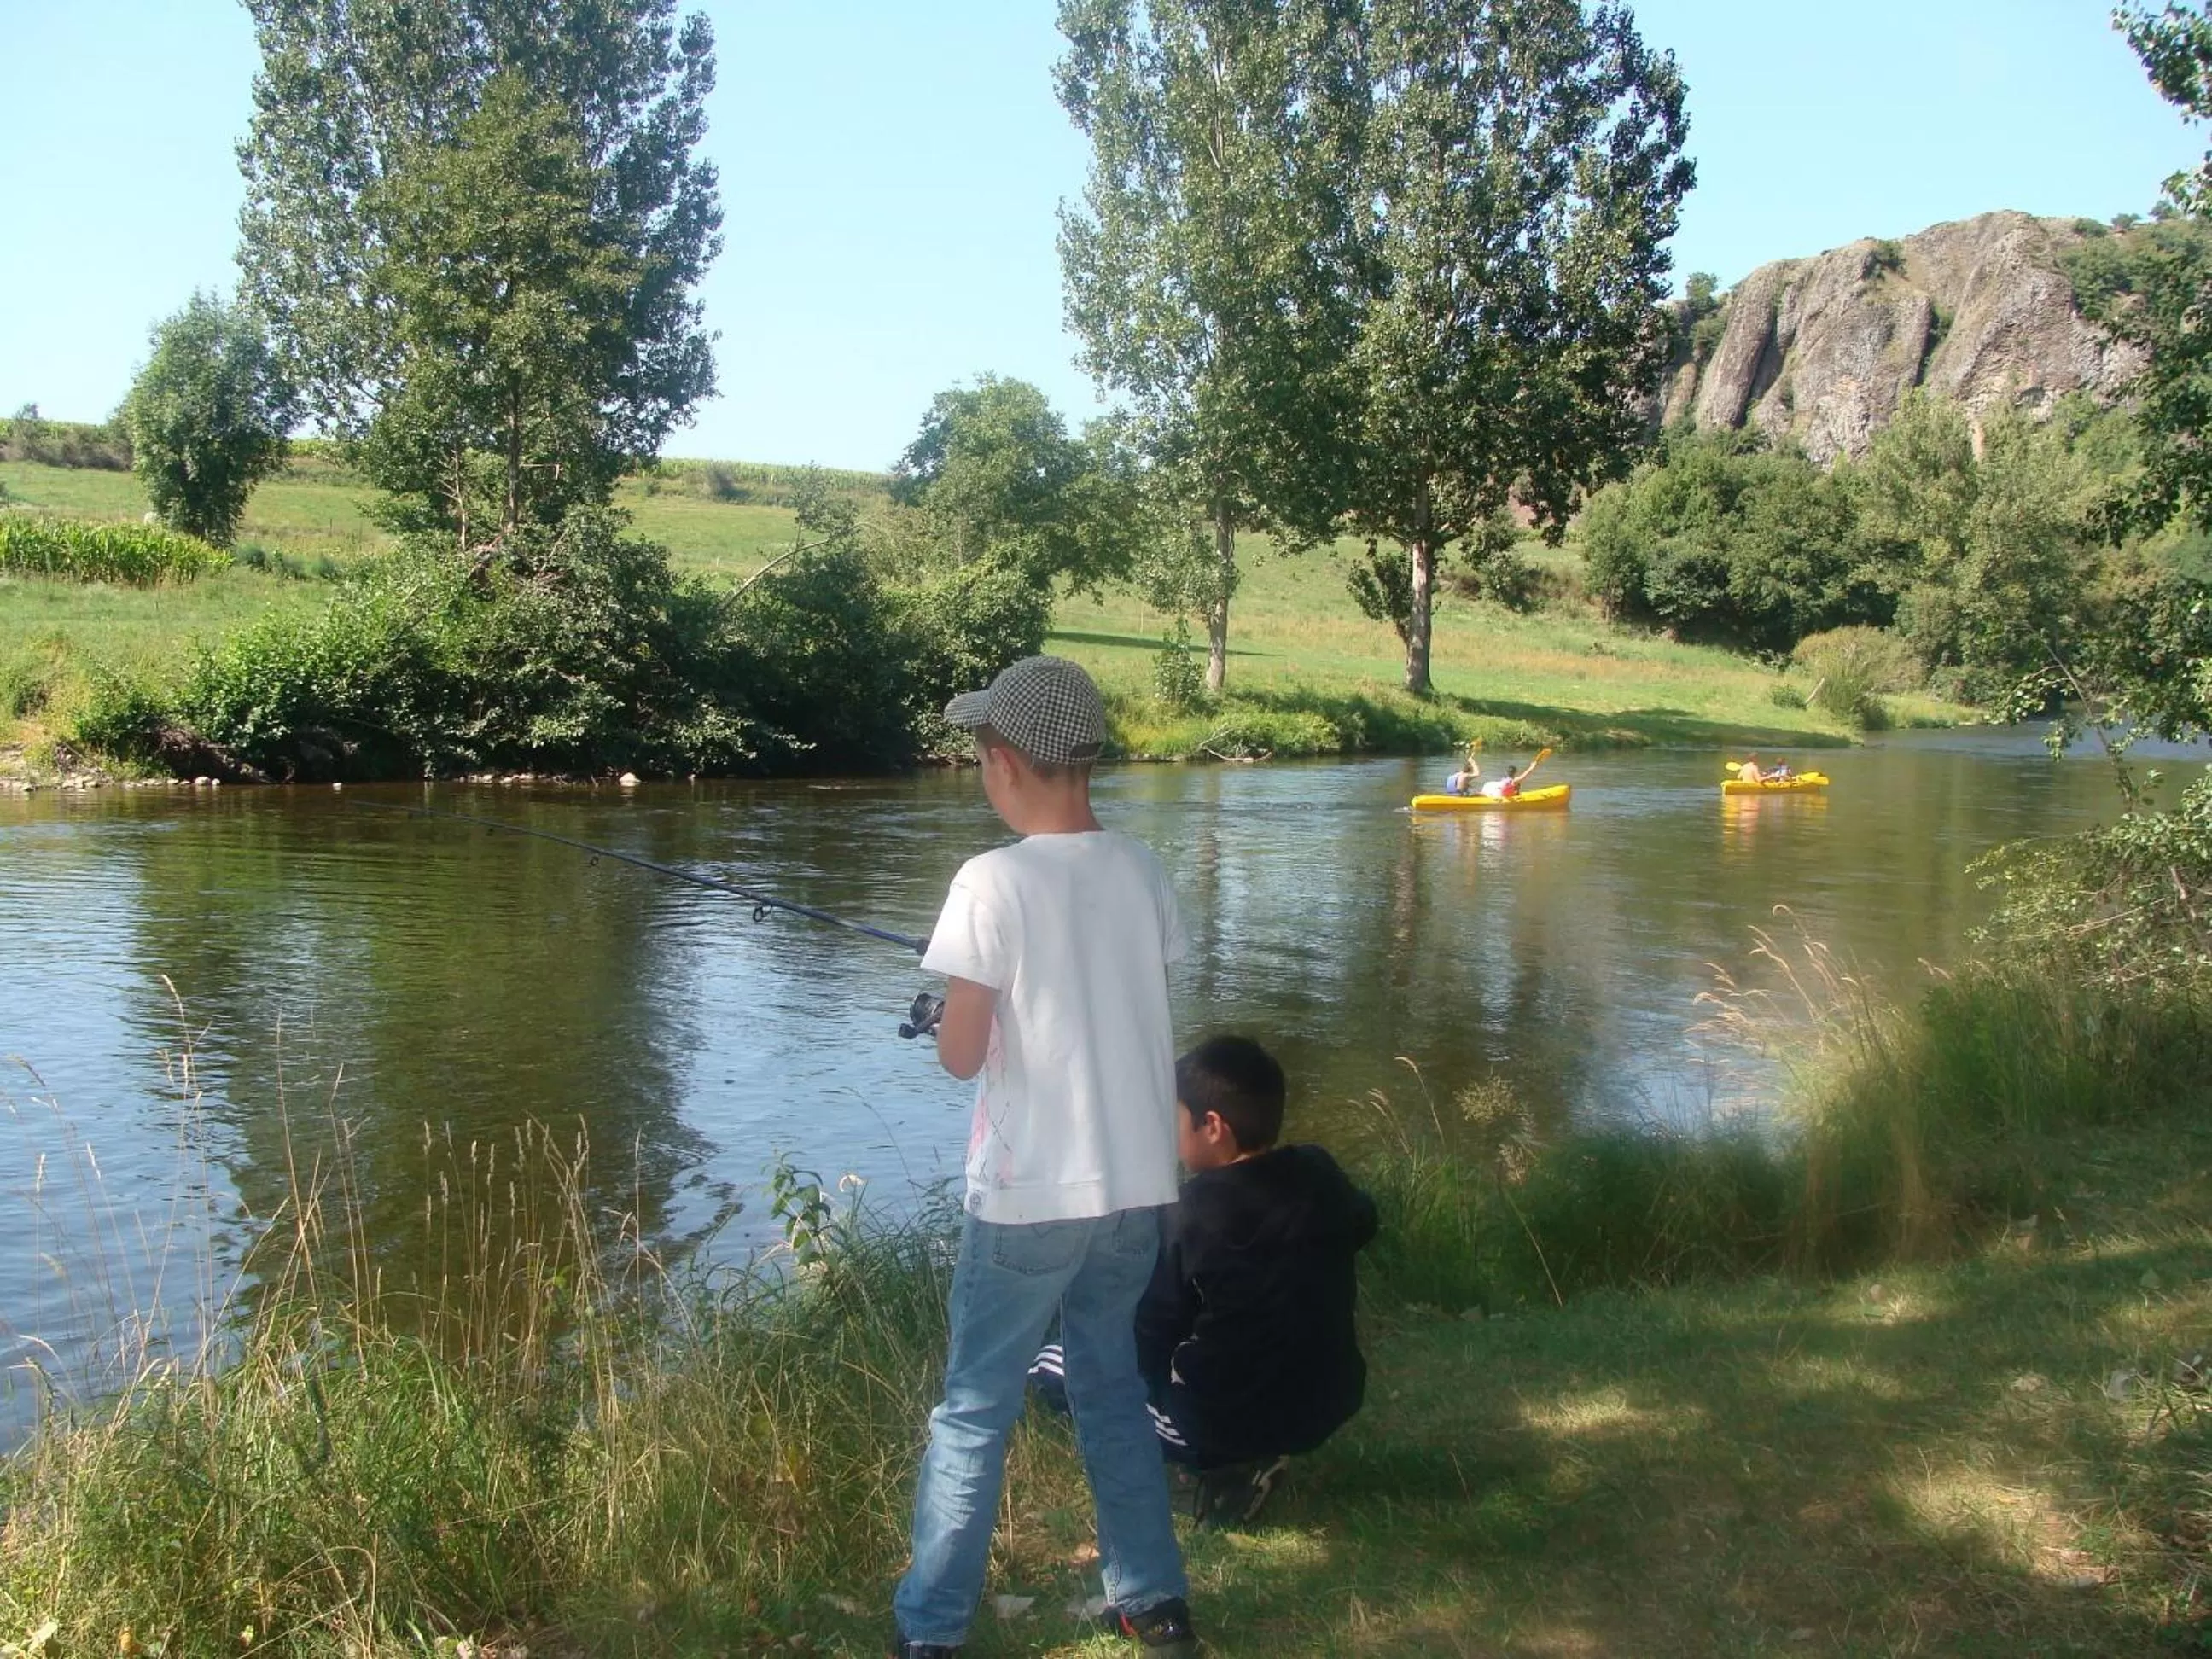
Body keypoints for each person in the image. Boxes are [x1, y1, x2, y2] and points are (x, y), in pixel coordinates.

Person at [891, 655, 1198, 1659]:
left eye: (979, 754)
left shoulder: (988, 882)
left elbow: (961, 1057)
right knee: (1113, 1387)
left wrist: (947, 1008)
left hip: (1027, 1201)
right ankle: (1152, 1600)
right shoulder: (1143, 867)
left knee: (974, 1410)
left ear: (1006, 761)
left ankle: (932, 1630)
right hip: (1134, 1195)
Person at [1031, 1036, 1378, 1529]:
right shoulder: (1319, 1171)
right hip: (1331, 1400)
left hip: (1219, 1422)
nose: (1170, 1135)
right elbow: (1365, 1222)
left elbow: (1151, 1337)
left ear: (1212, 1127)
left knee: (1054, 1363)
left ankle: (1228, 1464)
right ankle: (1248, 1450)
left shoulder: (1187, 1213)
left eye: (1175, 1121)